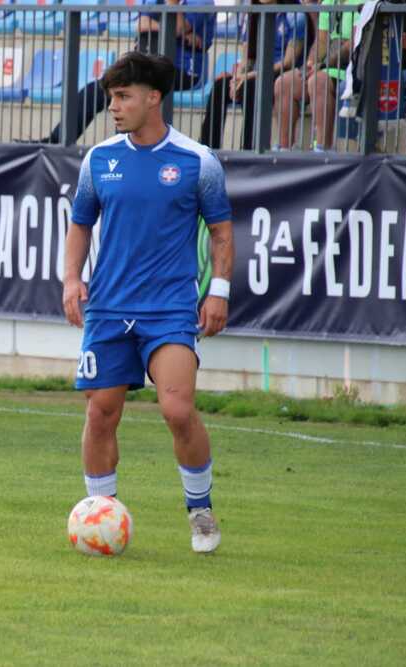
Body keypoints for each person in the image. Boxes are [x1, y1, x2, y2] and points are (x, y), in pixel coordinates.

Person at [64, 51, 234, 553]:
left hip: (169, 310)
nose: (114, 107)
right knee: (101, 414)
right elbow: (80, 225)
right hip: (109, 308)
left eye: (123, 97)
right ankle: (102, 513)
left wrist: (218, 291)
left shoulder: (197, 161)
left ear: (153, 98)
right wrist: (72, 279)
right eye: (111, 98)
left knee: (178, 411)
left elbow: (221, 232)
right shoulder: (99, 160)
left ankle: (200, 511)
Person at [44, 0, 216, 145]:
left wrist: (172, 6)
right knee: (95, 90)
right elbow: (141, 25)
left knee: (131, 90)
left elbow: (176, 27)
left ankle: (125, 148)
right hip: (144, 68)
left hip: (182, 71)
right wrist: (172, 30)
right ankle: (56, 141)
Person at [200, 0, 311, 150]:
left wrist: (250, 76)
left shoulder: (295, 15)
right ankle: (207, 149)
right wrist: (237, 78)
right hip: (254, 74)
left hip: (280, 76)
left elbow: (288, 62)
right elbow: (247, 57)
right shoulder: (251, 14)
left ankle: (249, 149)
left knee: (252, 87)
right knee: (221, 86)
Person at [273, 0, 362, 151]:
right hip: (325, 66)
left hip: (350, 68)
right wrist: (310, 63)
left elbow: (352, 44)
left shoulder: (361, 1)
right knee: (284, 82)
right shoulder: (328, 2)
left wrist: (322, 65)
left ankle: (322, 147)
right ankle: (284, 147)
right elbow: (321, 41)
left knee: (318, 80)